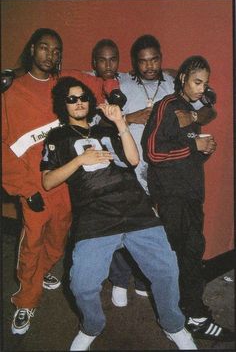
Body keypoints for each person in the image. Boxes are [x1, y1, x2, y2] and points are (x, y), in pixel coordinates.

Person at [40, 75, 197, 350]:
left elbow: (134, 160)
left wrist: (121, 123)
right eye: (71, 99)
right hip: (94, 214)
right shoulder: (58, 136)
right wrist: (80, 159)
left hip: (135, 207)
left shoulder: (107, 129)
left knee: (167, 270)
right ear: (62, 104)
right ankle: (92, 326)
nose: (79, 103)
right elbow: (48, 181)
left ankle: (174, 325)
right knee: (81, 284)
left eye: (83, 97)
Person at [2, 28, 116, 335]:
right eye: (44, 48)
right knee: (32, 245)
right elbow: (4, 147)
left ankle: (41, 273)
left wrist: (120, 81)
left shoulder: (64, 84)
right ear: (31, 50)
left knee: (58, 240)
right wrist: (23, 189)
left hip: (66, 182)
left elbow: (102, 77)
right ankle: (26, 299)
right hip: (34, 187)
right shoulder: (10, 90)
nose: (50, 55)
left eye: (55, 50)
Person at [108, 34, 217, 307]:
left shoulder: (173, 83)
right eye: (143, 61)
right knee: (126, 225)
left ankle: (147, 280)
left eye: (154, 59)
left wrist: (193, 117)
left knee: (157, 232)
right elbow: (103, 121)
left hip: (164, 172)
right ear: (134, 63)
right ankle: (120, 280)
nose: (149, 66)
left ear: (162, 58)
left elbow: (206, 110)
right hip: (130, 165)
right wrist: (131, 118)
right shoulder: (121, 83)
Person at [141, 55, 234, 342]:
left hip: (189, 194)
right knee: (188, 254)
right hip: (172, 196)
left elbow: (179, 155)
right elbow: (153, 153)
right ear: (182, 78)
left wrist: (202, 150)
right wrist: (194, 144)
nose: (201, 89)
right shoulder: (167, 107)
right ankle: (194, 315)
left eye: (205, 83)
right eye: (197, 81)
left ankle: (183, 309)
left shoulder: (188, 111)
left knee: (189, 253)